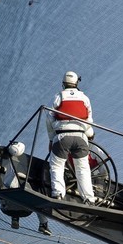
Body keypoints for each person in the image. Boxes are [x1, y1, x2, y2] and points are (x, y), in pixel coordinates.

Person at [46, 71, 96, 205]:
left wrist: (51, 139)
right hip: (80, 137)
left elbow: (49, 118)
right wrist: (85, 131)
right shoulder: (84, 98)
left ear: (64, 83)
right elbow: (89, 119)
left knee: (56, 165)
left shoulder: (58, 96)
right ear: (76, 83)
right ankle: (89, 199)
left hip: (62, 136)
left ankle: (58, 194)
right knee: (83, 168)